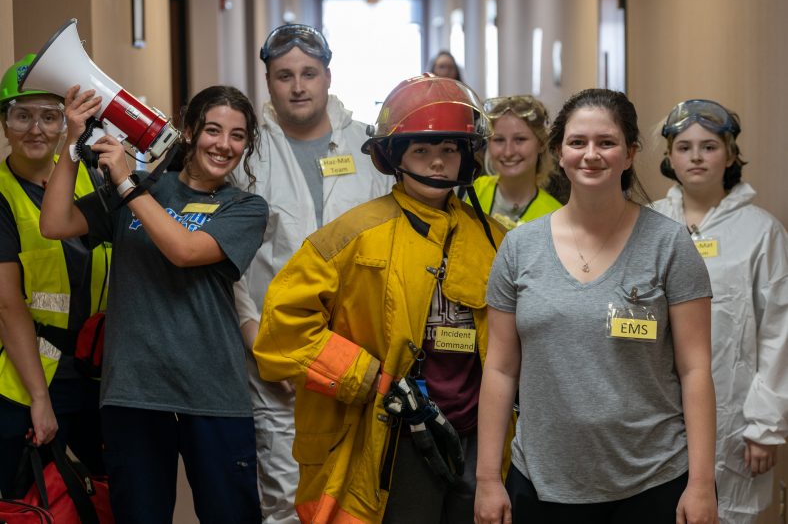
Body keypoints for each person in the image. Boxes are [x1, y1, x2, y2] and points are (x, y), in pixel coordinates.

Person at [253, 74, 509, 524]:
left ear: (467, 157)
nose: (436, 163)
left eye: (449, 149)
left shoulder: (495, 240)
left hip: (476, 438)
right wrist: (368, 377)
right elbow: (282, 329)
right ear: (395, 156)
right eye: (422, 150)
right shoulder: (350, 236)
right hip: (392, 436)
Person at [475, 88, 720, 524]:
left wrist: (701, 483)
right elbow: (500, 369)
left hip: (654, 480)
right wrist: (487, 479)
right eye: (577, 142)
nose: (591, 155)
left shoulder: (670, 245)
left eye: (606, 143)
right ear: (558, 153)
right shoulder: (518, 248)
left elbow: (696, 369)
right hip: (542, 484)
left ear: (629, 154)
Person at [39, 84, 267, 523]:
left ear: (246, 145)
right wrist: (71, 143)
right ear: (188, 132)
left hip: (213, 393)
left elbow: (183, 250)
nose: (223, 145)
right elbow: (55, 223)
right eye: (212, 130)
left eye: (237, 136)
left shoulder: (245, 207)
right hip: (135, 391)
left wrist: (126, 182)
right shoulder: (143, 190)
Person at [232, 22, 393, 524]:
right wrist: (255, 338)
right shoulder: (245, 155)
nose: (297, 86)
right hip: (278, 348)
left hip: (365, 347)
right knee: (284, 494)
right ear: (267, 81)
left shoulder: (372, 149)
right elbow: (231, 263)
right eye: (284, 75)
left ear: (328, 76)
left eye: (308, 73)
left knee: (366, 486)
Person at [653, 99, 788, 524]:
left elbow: (778, 331)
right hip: (655, 413)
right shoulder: (648, 224)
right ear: (669, 157)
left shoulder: (762, 231)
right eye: (684, 146)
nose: (696, 156)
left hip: (734, 417)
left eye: (709, 146)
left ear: (730, 155)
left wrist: (765, 428)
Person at [0, 54, 108, 496]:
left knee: (103, 494)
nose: (36, 128)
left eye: (50, 116)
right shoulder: (2, 197)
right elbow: (8, 306)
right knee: (35, 502)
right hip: (33, 382)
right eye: (21, 115)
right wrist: (40, 401)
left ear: (67, 124)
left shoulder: (91, 178)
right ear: (5, 124)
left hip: (99, 372)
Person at [471, 95, 561, 230]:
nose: (508, 152)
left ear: (541, 144)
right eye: (499, 140)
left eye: (520, 139)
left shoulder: (555, 217)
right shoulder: (471, 192)